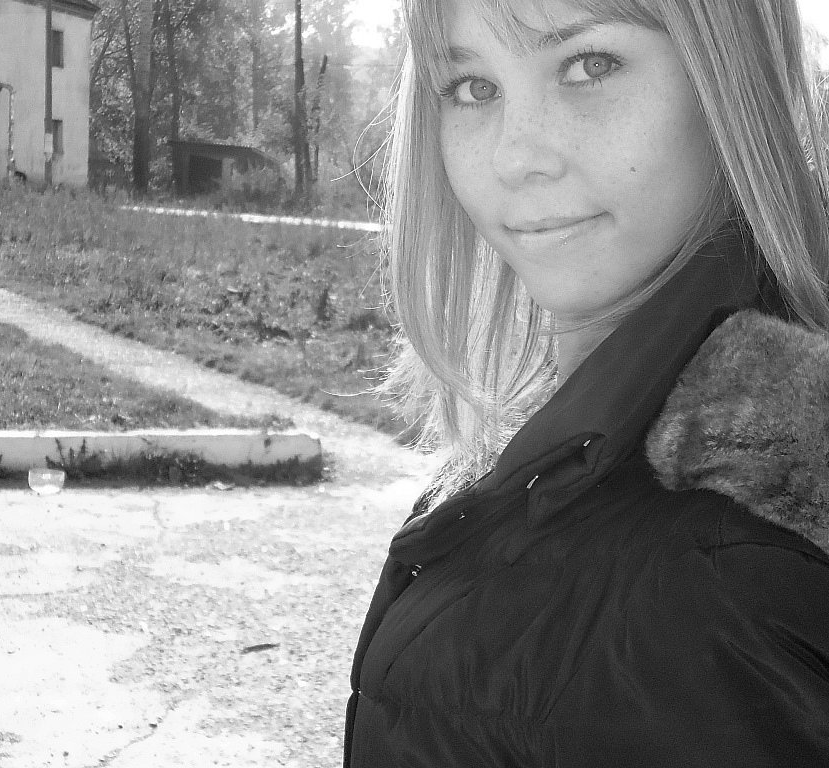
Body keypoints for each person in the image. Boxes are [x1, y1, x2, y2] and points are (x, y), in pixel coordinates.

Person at [344, 0, 829, 765]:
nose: (513, 156)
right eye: (472, 87)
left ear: (730, 81)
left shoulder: (719, 579)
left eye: (588, 65)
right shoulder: (573, 440)